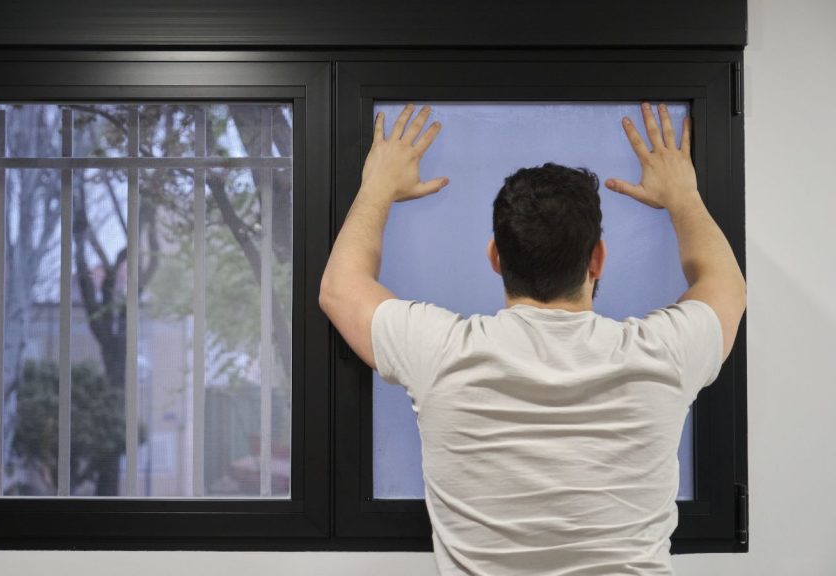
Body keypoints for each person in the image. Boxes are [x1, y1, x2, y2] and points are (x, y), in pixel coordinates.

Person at [319, 102, 747, 575]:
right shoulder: (665, 353)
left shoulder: (442, 353)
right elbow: (726, 287)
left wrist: (376, 188)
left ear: (494, 257)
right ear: (598, 259)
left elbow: (341, 289)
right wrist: (683, 196)